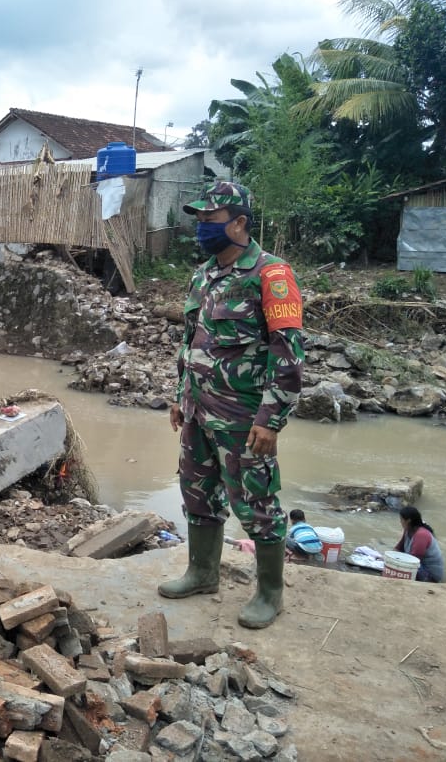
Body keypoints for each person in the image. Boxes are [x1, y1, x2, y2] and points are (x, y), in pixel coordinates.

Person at [157, 181, 305, 629]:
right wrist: (182, 396)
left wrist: (271, 419)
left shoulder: (272, 275)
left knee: (257, 504)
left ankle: (270, 593)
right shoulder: (204, 274)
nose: (202, 228)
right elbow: (191, 340)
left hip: (244, 418)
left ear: (239, 223)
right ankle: (202, 572)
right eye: (199, 221)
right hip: (199, 412)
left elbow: (289, 352)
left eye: (210, 221)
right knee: (197, 493)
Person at [395, 505, 444, 582]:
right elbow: (399, 547)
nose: (400, 522)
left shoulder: (421, 535)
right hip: (418, 565)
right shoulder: (408, 529)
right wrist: (386, 558)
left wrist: (395, 563)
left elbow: (413, 561)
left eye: (401, 519)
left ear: (408, 521)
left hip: (430, 574)